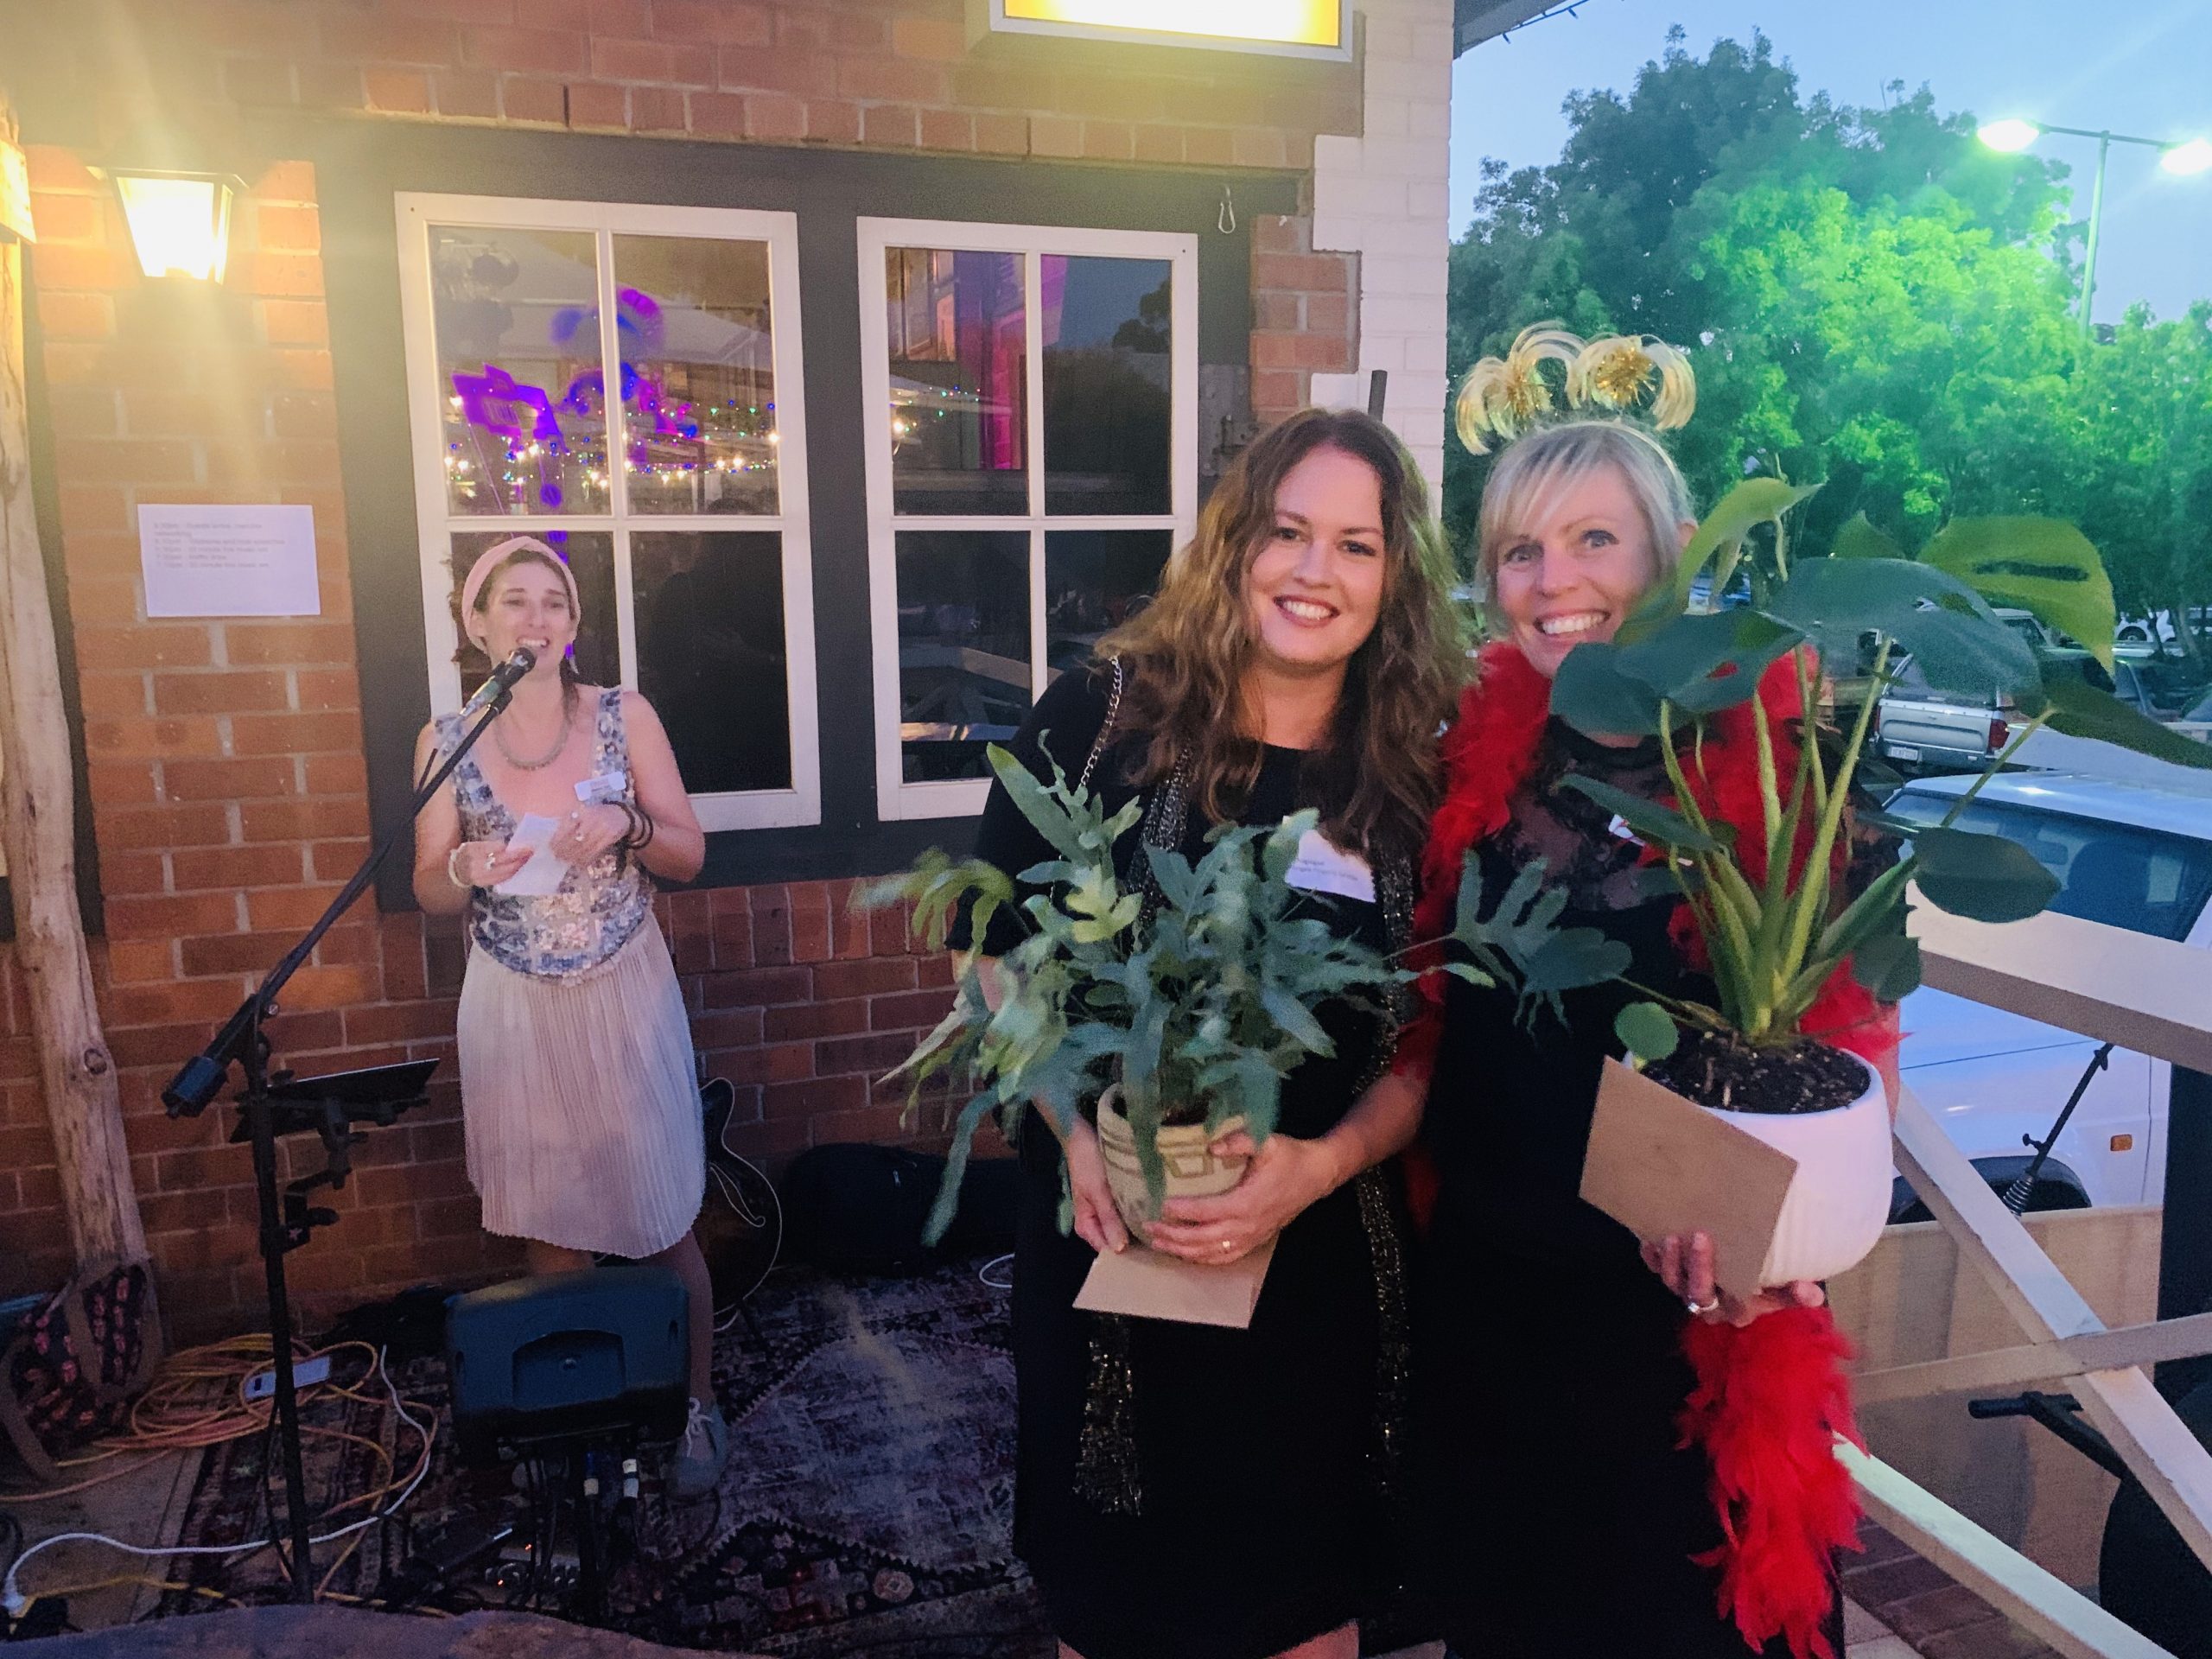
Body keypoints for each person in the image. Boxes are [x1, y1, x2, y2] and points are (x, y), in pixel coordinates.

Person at [1404, 342, 1901, 1659]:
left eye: (1594, 540)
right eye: (1520, 550)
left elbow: (1848, 1050)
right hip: (1491, 1301)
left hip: (1675, 1325)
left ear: (1674, 557)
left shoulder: (1776, 772)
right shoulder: (1465, 763)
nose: (1552, 580)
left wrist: (1782, 1249)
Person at [953, 410, 1466, 1659]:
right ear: (1234, 544)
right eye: (1287, 532)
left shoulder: (1420, 771)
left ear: (1395, 576)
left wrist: (1321, 1165)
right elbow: (987, 951)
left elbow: (1432, 1038)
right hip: (1110, 1245)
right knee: (1117, 1606)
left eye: (1356, 545)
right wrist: (1072, 1129)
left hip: (1320, 1269)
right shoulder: (1101, 718)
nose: (1314, 571)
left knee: (1299, 1609)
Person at [410, 535, 727, 1500]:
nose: (535, 619)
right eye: (514, 601)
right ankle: (584, 1413)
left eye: (553, 602)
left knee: (661, 1209)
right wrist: (464, 866)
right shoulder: (445, 739)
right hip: (511, 1002)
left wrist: (628, 825)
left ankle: (695, 1404)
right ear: (477, 624)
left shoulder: (625, 715)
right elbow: (428, 888)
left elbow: (689, 854)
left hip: (622, 986)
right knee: (553, 1220)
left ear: (575, 623)